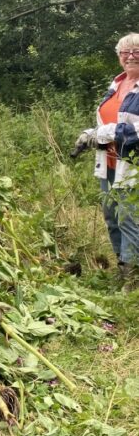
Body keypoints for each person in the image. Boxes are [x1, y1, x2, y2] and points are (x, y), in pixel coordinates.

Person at [73, 32, 139, 280]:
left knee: (130, 220)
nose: (131, 56)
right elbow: (107, 120)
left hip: (132, 166)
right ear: (119, 56)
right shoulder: (116, 84)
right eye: (126, 52)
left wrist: (99, 133)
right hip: (109, 163)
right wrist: (89, 133)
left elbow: (135, 131)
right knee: (112, 217)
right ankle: (124, 269)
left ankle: (132, 280)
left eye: (137, 52)